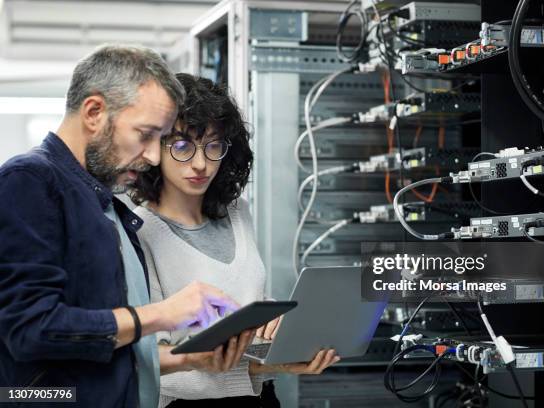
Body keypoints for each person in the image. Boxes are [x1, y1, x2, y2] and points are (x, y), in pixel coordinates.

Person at [0, 45, 254, 408]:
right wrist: (163, 314)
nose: (153, 156)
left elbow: (103, 352)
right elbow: (29, 330)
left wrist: (189, 358)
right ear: (93, 112)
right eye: (146, 134)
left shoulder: (104, 204)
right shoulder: (29, 180)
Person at [129, 73, 340, 408]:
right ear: (155, 147)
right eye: (183, 146)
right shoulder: (139, 231)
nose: (201, 163)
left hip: (261, 398)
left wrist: (275, 328)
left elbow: (248, 299)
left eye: (213, 145)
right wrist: (264, 368)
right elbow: (153, 363)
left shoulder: (238, 212)